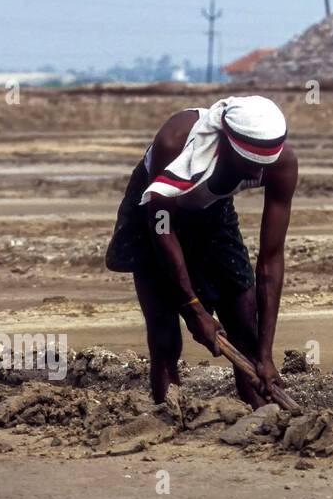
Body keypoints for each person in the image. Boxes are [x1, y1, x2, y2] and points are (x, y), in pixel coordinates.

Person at [106, 96, 298, 406]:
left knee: (245, 330)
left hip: (212, 211)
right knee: (165, 338)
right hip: (156, 213)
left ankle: (262, 419)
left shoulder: (281, 165)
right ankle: (168, 420)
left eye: (263, 166)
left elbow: (270, 261)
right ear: (226, 144)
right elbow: (162, 229)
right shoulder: (175, 142)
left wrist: (265, 354)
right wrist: (194, 309)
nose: (256, 173)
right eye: (249, 163)